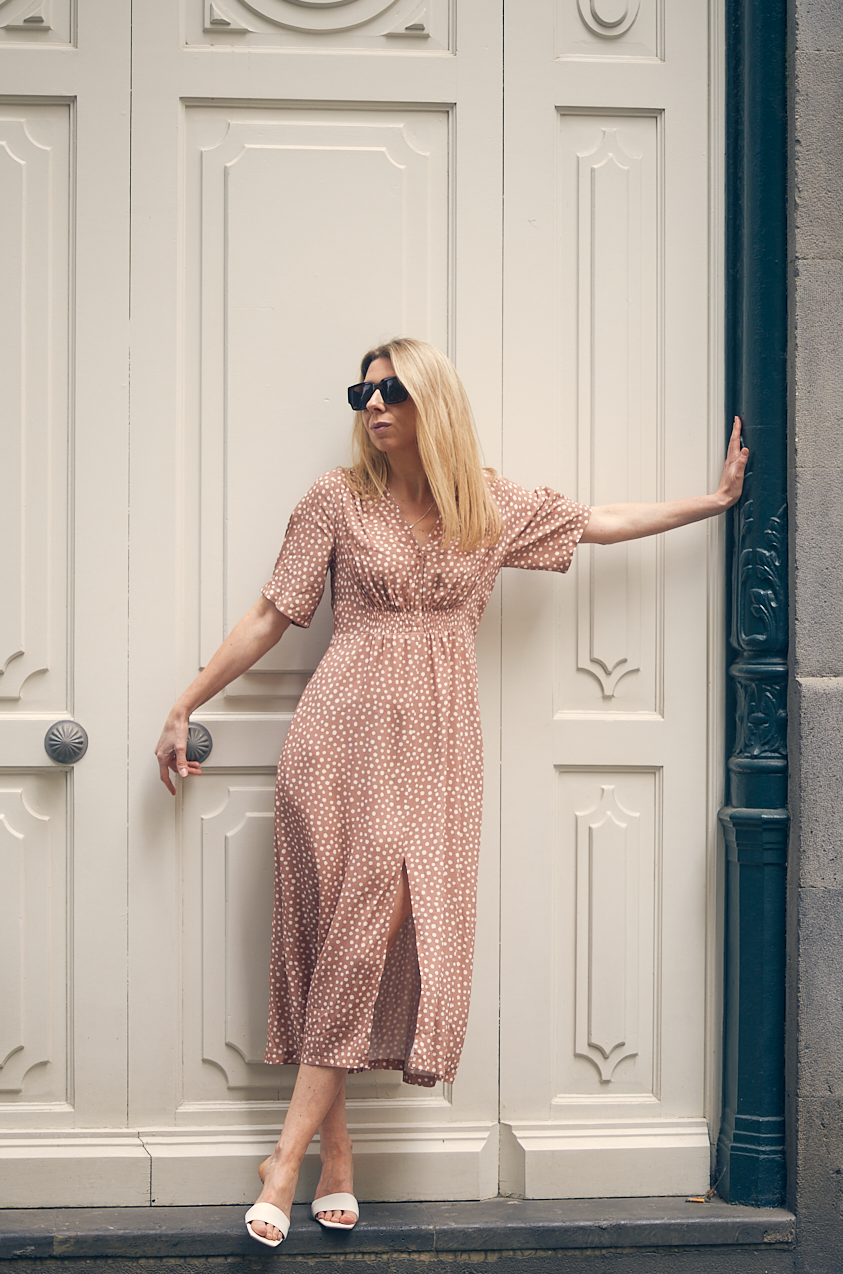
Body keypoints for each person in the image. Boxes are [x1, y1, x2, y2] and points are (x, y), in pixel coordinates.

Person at [154, 338, 749, 1248]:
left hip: (436, 746)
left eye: (391, 390)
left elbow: (598, 521)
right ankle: (328, 1157)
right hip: (337, 735)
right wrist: (185, 702)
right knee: (335, 936)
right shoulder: (334, 499)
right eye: (362, 393)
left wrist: (709, 503)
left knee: (375, 923)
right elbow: (273, 612)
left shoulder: (487, 505)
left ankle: (285, 1157)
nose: (373, 406)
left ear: (431, 400)